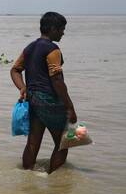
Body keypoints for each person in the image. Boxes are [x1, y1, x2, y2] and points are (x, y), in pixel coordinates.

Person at [11, 12, 77, 174]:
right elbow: (57, 80)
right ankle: (54, 180)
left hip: (33, 100)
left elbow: (15, 70)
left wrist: (23, 87)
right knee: (63, 143)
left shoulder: (30, 47)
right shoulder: (53, 49)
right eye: (62, 29)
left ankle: (27, 176)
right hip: (50, 100)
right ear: (53, 29)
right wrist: (69, 107)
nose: (63, 33)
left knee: (33, 143)